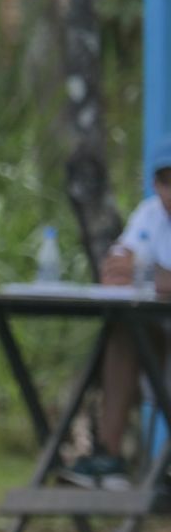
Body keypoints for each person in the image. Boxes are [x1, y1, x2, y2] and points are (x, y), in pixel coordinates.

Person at [60, 139, 171, 489]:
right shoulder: (150, 213)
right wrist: (142, 273)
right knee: (125, 333)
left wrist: (147, 273)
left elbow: (145, 273)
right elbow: (116, 269)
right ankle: (109, 458)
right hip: (160, 331)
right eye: (167, 180)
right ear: (156, 184)